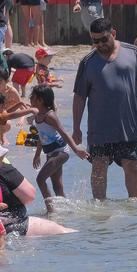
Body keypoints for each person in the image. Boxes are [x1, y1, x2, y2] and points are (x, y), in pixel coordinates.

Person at [72, 17, 137, 199]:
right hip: (99, 130)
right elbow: (79, 97)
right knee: (99, 168)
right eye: (95, 41)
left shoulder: (134, 53)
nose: (100, 44)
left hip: (128, 127)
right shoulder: (87, 62)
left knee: (132, 166)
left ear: (113, 33)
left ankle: (135, 209)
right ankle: (100, 211)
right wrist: (76, 127)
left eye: (104, 39)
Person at [28, 84, 88, 214]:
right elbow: (41, 137)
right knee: (57, 186)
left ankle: (51, 211)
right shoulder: (38, 116)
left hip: (60, 152)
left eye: (32, 96)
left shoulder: (50, 116)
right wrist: (37, 154)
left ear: (41, 100)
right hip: (50, 153)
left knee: (40, 179)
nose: (30, 98)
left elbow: (64, 133)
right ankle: (67, 210)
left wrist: (76, 149)